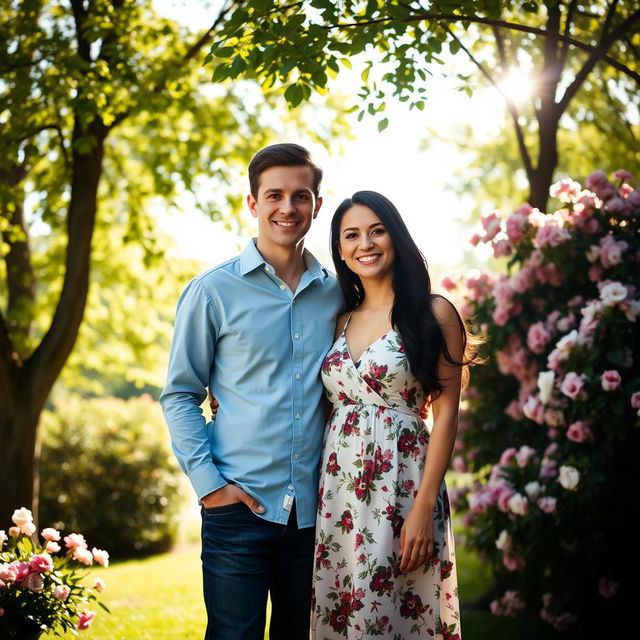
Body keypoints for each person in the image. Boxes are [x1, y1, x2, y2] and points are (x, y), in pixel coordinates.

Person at [160, 143, 342, 640]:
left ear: (317, 205)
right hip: (238, 509)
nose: (288, 208)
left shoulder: (339, 291)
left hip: (314, 515)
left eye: (300, 195)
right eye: (275, 195)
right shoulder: (212, 291)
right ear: (253, 203)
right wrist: (210, 485)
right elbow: (179, 393)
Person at [312, 191, 474, 639]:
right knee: (345, 610)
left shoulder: (432, 312)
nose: (365, 243)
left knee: (397, 614)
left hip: (404, 486)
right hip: (339, 495)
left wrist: (424, 505)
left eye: (376, 230)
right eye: (352, 235)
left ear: (395, 237)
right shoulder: (338, 320)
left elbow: (446, 417)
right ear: (341, 251)